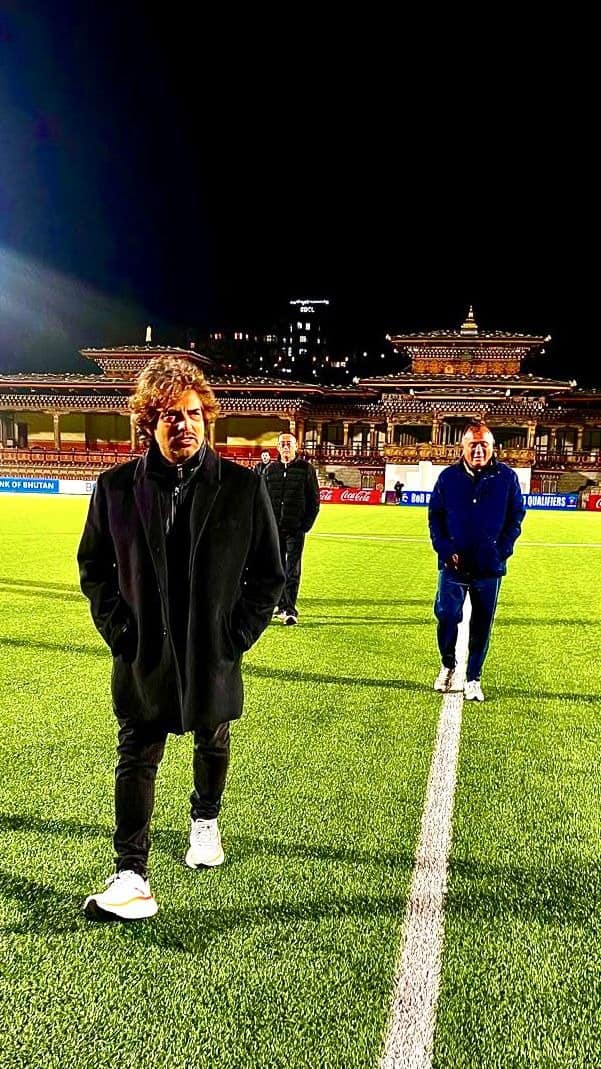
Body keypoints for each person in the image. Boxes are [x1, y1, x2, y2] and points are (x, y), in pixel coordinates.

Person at [77, 356, 284, 921]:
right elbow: (92, 566)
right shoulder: (116, 487)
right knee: (136, 754)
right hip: (143, 650)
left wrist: (235, 634)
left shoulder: (242, 486)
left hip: (211, 648)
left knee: (212, 738)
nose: (184, 424)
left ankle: (205, 822)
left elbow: (269, 573)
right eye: (171, 416)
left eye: (193, 413)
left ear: (207, 418)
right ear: (150, 422)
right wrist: (120, 630)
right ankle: (131, 873)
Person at [428, 421, 525, 701]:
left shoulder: (506, 478)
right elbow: (435, 517)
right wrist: (445, 549)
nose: (479, 450)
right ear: (463, 447)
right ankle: (448, 665)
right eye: (473, 445)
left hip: (488, 566)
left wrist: (501, 549)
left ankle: (473, 677)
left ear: (493, 448)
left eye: (484, 445)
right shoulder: (448, 478)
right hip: (453, 564)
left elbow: (516, 517)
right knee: (446, 614)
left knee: (481, 624)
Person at [264, 432, 320, 625]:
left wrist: (305, 525)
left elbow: (314, 501)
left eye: (290, 443)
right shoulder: (270, 470)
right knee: (276, 568)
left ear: (297, 446)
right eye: (283, 443)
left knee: (292, 569)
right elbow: (262, 501)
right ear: (278, 447)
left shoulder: (306, 469)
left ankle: (290, 609)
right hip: (274, 529)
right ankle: (279, 605)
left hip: (295, 529)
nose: (286, 446)